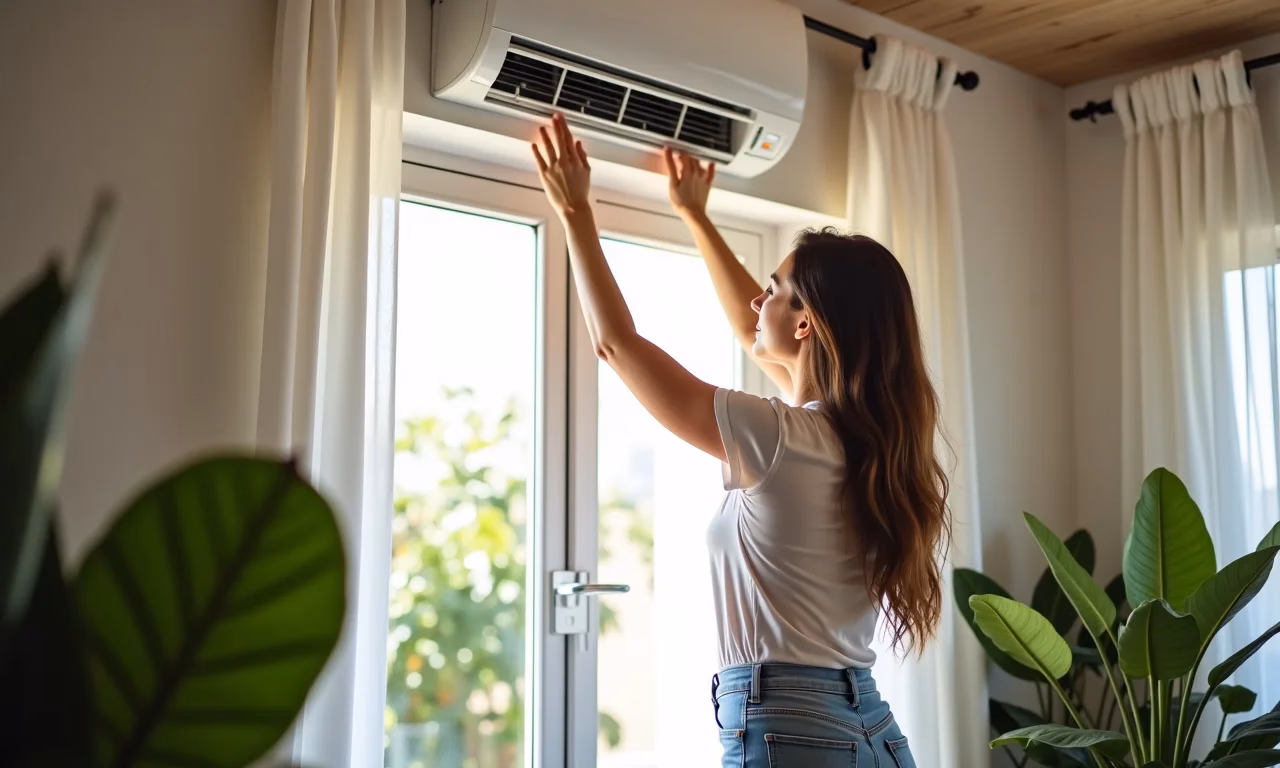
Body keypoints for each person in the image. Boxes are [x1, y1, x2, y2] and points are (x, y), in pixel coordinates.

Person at [531, 113, 948, 768]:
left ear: (806, 323)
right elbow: (749, 326)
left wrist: (576, 210)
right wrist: (696, 216)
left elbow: (617, 345)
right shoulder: (861, 440)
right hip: (872, 731)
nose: (758, 301)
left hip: (793, 729)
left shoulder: (784, 437)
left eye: (773, 291)